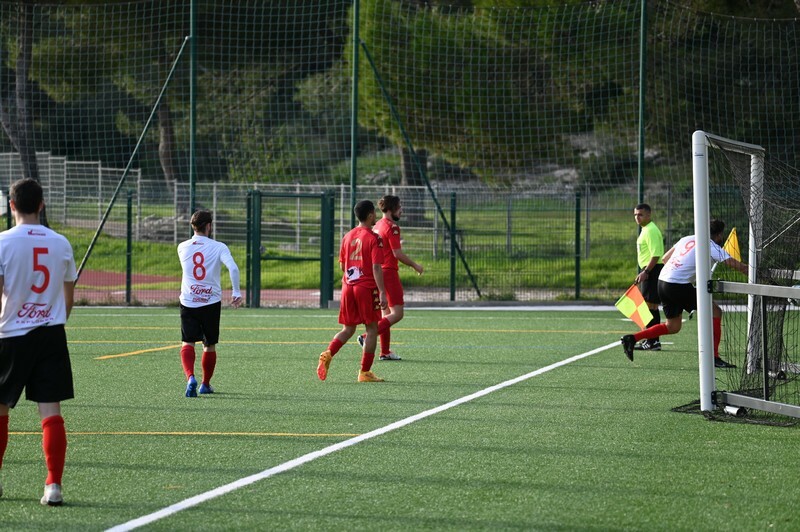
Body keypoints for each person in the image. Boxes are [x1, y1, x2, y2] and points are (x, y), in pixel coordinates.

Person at [0, 178, 77, 506]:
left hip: (11, 335)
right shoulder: (61, 243)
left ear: (12, 205)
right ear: (42, 205)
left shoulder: (2, 242)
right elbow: (68, 297)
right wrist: (53, 320)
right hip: (51, 334)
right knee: (50, 411)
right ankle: (53, 485)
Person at [621, 219, 747, 367]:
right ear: (719, 235)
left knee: (673, 327)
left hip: (662, 281)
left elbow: (665, 258)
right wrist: (759, 275)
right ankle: (714, 358)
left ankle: (632, 338)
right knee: (715, 312)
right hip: (677, 284)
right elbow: (738, 267)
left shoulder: (686, 238)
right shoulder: (710, 245)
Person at [317, 200, 391, 383]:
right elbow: (376, 267)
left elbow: (342, 265)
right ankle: (365, 372)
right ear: (370, 215)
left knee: (348, 329)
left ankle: (328, 353)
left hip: (348, 287)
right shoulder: (374, 238)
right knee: (372, 329)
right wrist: (382, 292)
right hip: (366, 288)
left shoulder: (347, 236)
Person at [177, 210, 242, 397]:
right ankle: (205, 384)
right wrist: (236, 292)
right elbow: (233, 268)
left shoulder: (182, 247)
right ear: (209, 226)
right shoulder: (219, 247)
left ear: (193, 226)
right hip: (210, 302)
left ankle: (190, 377)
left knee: (188, 342)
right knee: (209, 344)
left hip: (188, 301)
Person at [356, 195, 423, 360]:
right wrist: (415, 265)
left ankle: (384, 351)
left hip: (377, 273)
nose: (401, 210)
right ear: (392, 209)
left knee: (385, 315)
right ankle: (367, 337)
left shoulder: (378, 224)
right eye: (399, 207)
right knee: (397, 314)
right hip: (389, 273)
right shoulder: (392, 227)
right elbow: (397, 253)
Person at [632, 203, 664, 351]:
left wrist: (646, 271)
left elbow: (655, 255)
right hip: (649, 270)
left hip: (652, 270)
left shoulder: (651, 230)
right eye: (635, 215)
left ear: (649, 215)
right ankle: (652, 340)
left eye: (640, 215)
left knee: (650, 306)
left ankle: (653, 341)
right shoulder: (646, 229)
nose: (637, 217)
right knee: (650, 306)